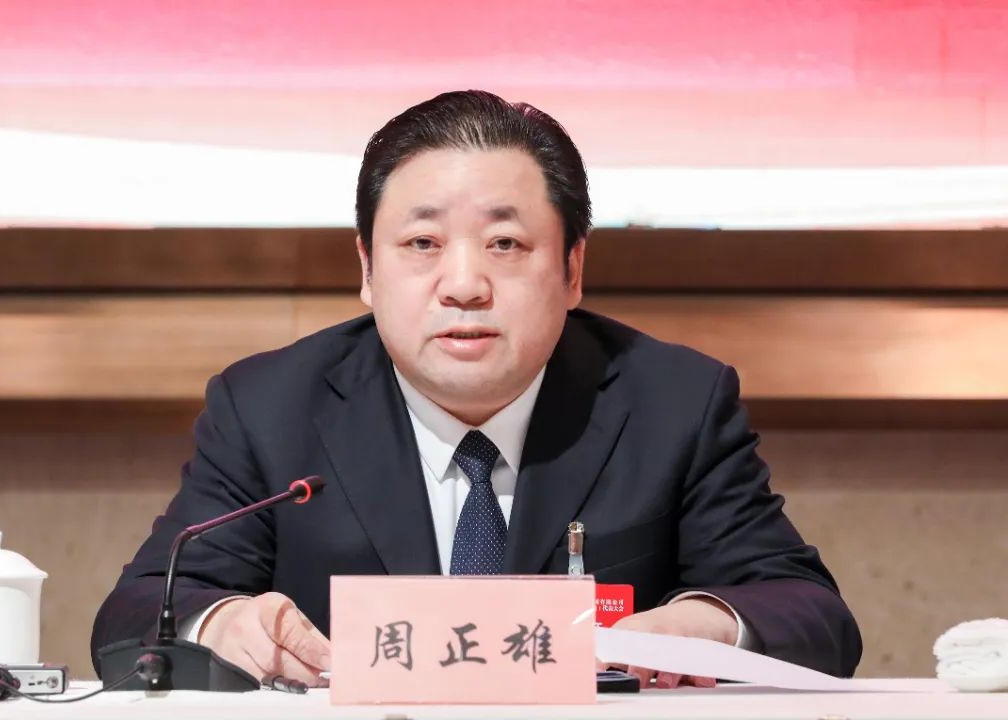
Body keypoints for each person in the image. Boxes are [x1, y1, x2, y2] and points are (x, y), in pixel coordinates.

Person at [91, 90, 862, 688]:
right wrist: (226, 622)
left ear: (572, 269)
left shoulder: (673, 403)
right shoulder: (270, 408)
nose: (463, 284)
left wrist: (707, 625)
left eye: (505, 243)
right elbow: (135, 615)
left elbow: (814, 618)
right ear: (367, 269)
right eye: (422, 243)